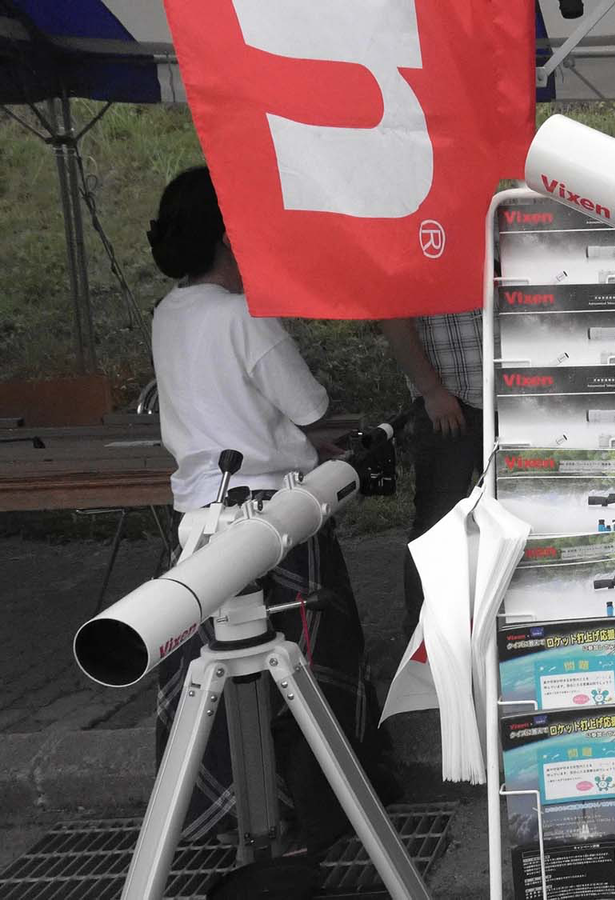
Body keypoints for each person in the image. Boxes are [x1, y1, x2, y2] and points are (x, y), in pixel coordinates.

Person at [148, 166, 389, 853]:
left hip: (198, 528)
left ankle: (230, 821)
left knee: (210, 682)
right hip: (276, 524)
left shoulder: (168, 314)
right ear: (230, 235)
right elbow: (309, 409)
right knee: (309, 671)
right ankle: (319, 815)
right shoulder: (244, 316)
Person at [380, 311, 484, 638]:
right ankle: (423, 635)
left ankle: (504, 629)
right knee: (437, 522)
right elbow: (393, 320)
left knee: (514, 512)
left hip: (508, 396)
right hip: (449, 403)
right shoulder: (414, 267)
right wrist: (432, 391)